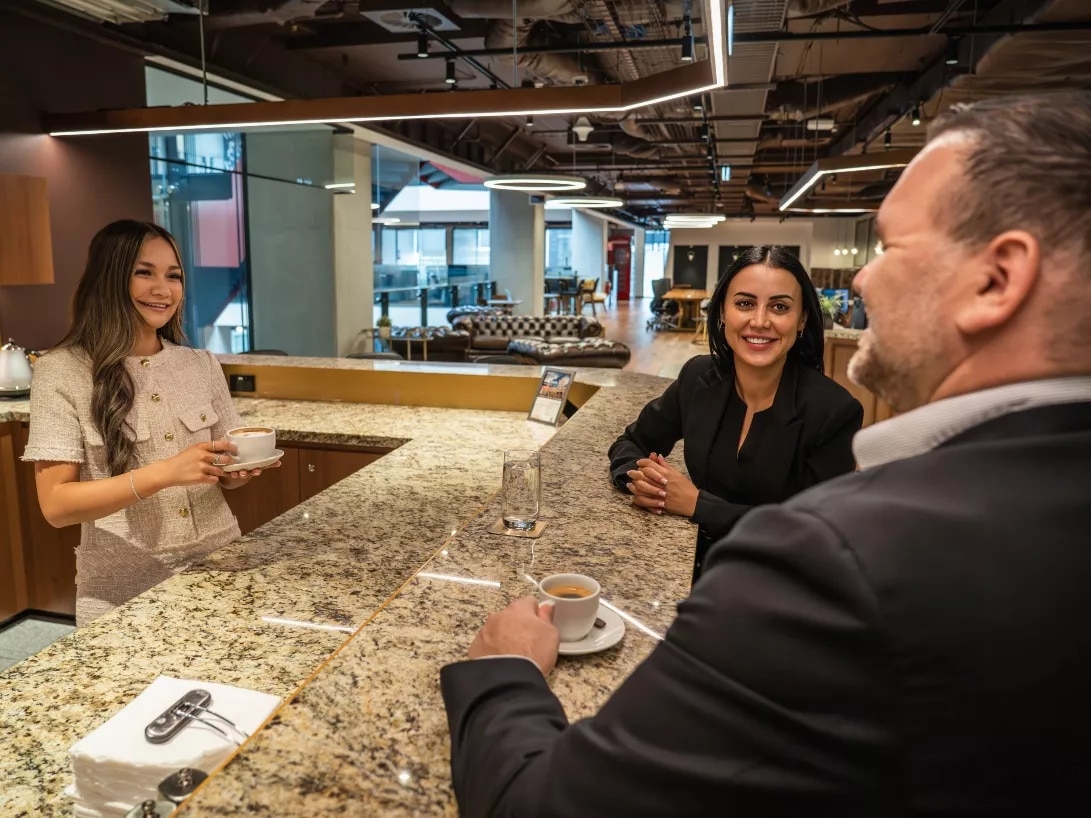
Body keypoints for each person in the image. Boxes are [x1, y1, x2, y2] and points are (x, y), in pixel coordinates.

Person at [441, 90, 1091, 816]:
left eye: (890, 246)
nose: (864, 279)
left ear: (996, 279)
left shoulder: (835, 558)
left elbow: (543, 804)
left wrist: (501, 669)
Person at [24, 220, 276, 625]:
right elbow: (56, 506)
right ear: (109, 279)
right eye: (144, 272)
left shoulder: (200, 364)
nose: (164, 289)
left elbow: (225, 469)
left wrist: (239, 470)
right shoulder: (62, 371)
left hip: (222, 567)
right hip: (120, 590)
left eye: (173, 276)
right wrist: (165, 473)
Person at [609, 246, 863, 580]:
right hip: (687, 563)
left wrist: (698, 505)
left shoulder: (834, 412)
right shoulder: (698, 378)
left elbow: (816, 536)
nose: (760, 321)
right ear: (723, 313)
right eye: (744, 303)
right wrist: (644, 484)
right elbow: (631, 442)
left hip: (777, 582)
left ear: (801, 319)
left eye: (779, 307)